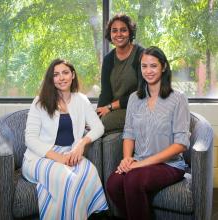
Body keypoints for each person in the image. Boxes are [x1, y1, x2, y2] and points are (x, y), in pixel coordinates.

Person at [106, 46, 190, 220]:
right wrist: (127, 158)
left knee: (133, 180)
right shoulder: (134, 99)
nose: (148, 71)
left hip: (170, 165)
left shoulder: (178, 98)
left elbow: (181, 144)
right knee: (113, 183)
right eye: (144, 66)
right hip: (139, 160)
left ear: (164, 67)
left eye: (153, 66)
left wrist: (141, 165)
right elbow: (129, 133)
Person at [22, 59, 108, 220]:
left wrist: (82, 144)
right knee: (68, 180)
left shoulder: (81, 100)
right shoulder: (39, 102)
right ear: (51, 79)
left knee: (90, 173)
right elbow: (30, 139)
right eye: (56, 74)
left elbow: (99, 127)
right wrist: (59, 158)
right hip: (39, 158)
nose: (61, 78)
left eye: (65, 73)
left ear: (73, 75)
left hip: (70, 153)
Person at [96, 14, 144, 133]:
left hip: (136, 108)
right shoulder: (108, 59)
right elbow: (105, 93)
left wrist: (110, 107)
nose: (119, 34)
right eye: (114, 31)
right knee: (92, 123)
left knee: (101, 125)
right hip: (113, 109)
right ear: (110, 34)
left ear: (130, 33)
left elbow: (141, 93)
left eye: (123, 30)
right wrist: (98, 113)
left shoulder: (141, 54)